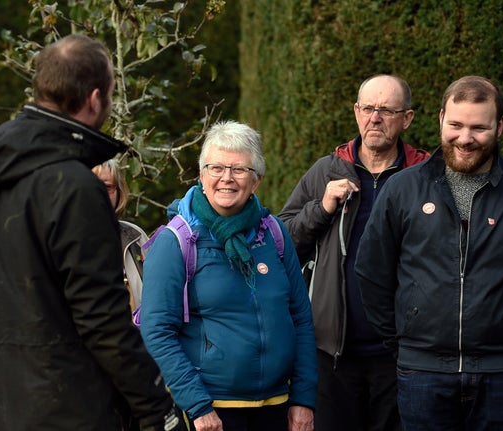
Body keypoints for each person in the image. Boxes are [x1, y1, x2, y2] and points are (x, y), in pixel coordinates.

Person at [0, 34, 184, 431]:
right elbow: (102, 317)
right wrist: (158, 412)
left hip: (9, 401)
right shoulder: (75, 186)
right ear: (96, 99)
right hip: (73, 408)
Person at [355, 75, 503, 430]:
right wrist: (403, 338)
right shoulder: (403, 189)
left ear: (500, 126)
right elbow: (372, 271)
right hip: (422, 372)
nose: (465, 138)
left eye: (478, 127)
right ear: (440, 119)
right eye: (456, 125)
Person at [140, 120, 317, 431]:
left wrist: (303, 398)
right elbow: (156, 331)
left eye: (239, 170)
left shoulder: (274, 233)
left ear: (256, 180)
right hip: (212, 411)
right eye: (216, 168)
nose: (227, 178)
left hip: (277, 406)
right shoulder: (176, 241)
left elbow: (300, 317)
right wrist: (197, 406)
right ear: (201, 175)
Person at [279, 74, 428, 431]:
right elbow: (280, 244)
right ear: (356, 112)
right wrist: (323, 207)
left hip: (404, 355)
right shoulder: (325, 171)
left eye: (386, 110)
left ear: (406, 118)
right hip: (333, 357)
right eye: (367, 108)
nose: (374, 118)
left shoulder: (425, 175)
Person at [93, 159, 149, 313]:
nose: (100, 192)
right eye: (93, 185)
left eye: (108, 186)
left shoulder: (136, 236)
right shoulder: (62, 238)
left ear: (119, 192)